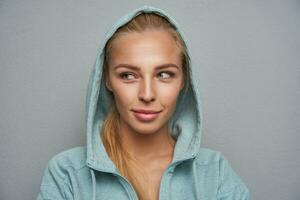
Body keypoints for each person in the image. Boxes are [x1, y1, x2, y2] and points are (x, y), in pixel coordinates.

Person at [37, 5, 249, 200]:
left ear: (184, 80)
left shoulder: (215, 173)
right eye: (128, 75)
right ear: (107, 80)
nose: (147, 94)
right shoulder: (67, 175)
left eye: (164, 74)